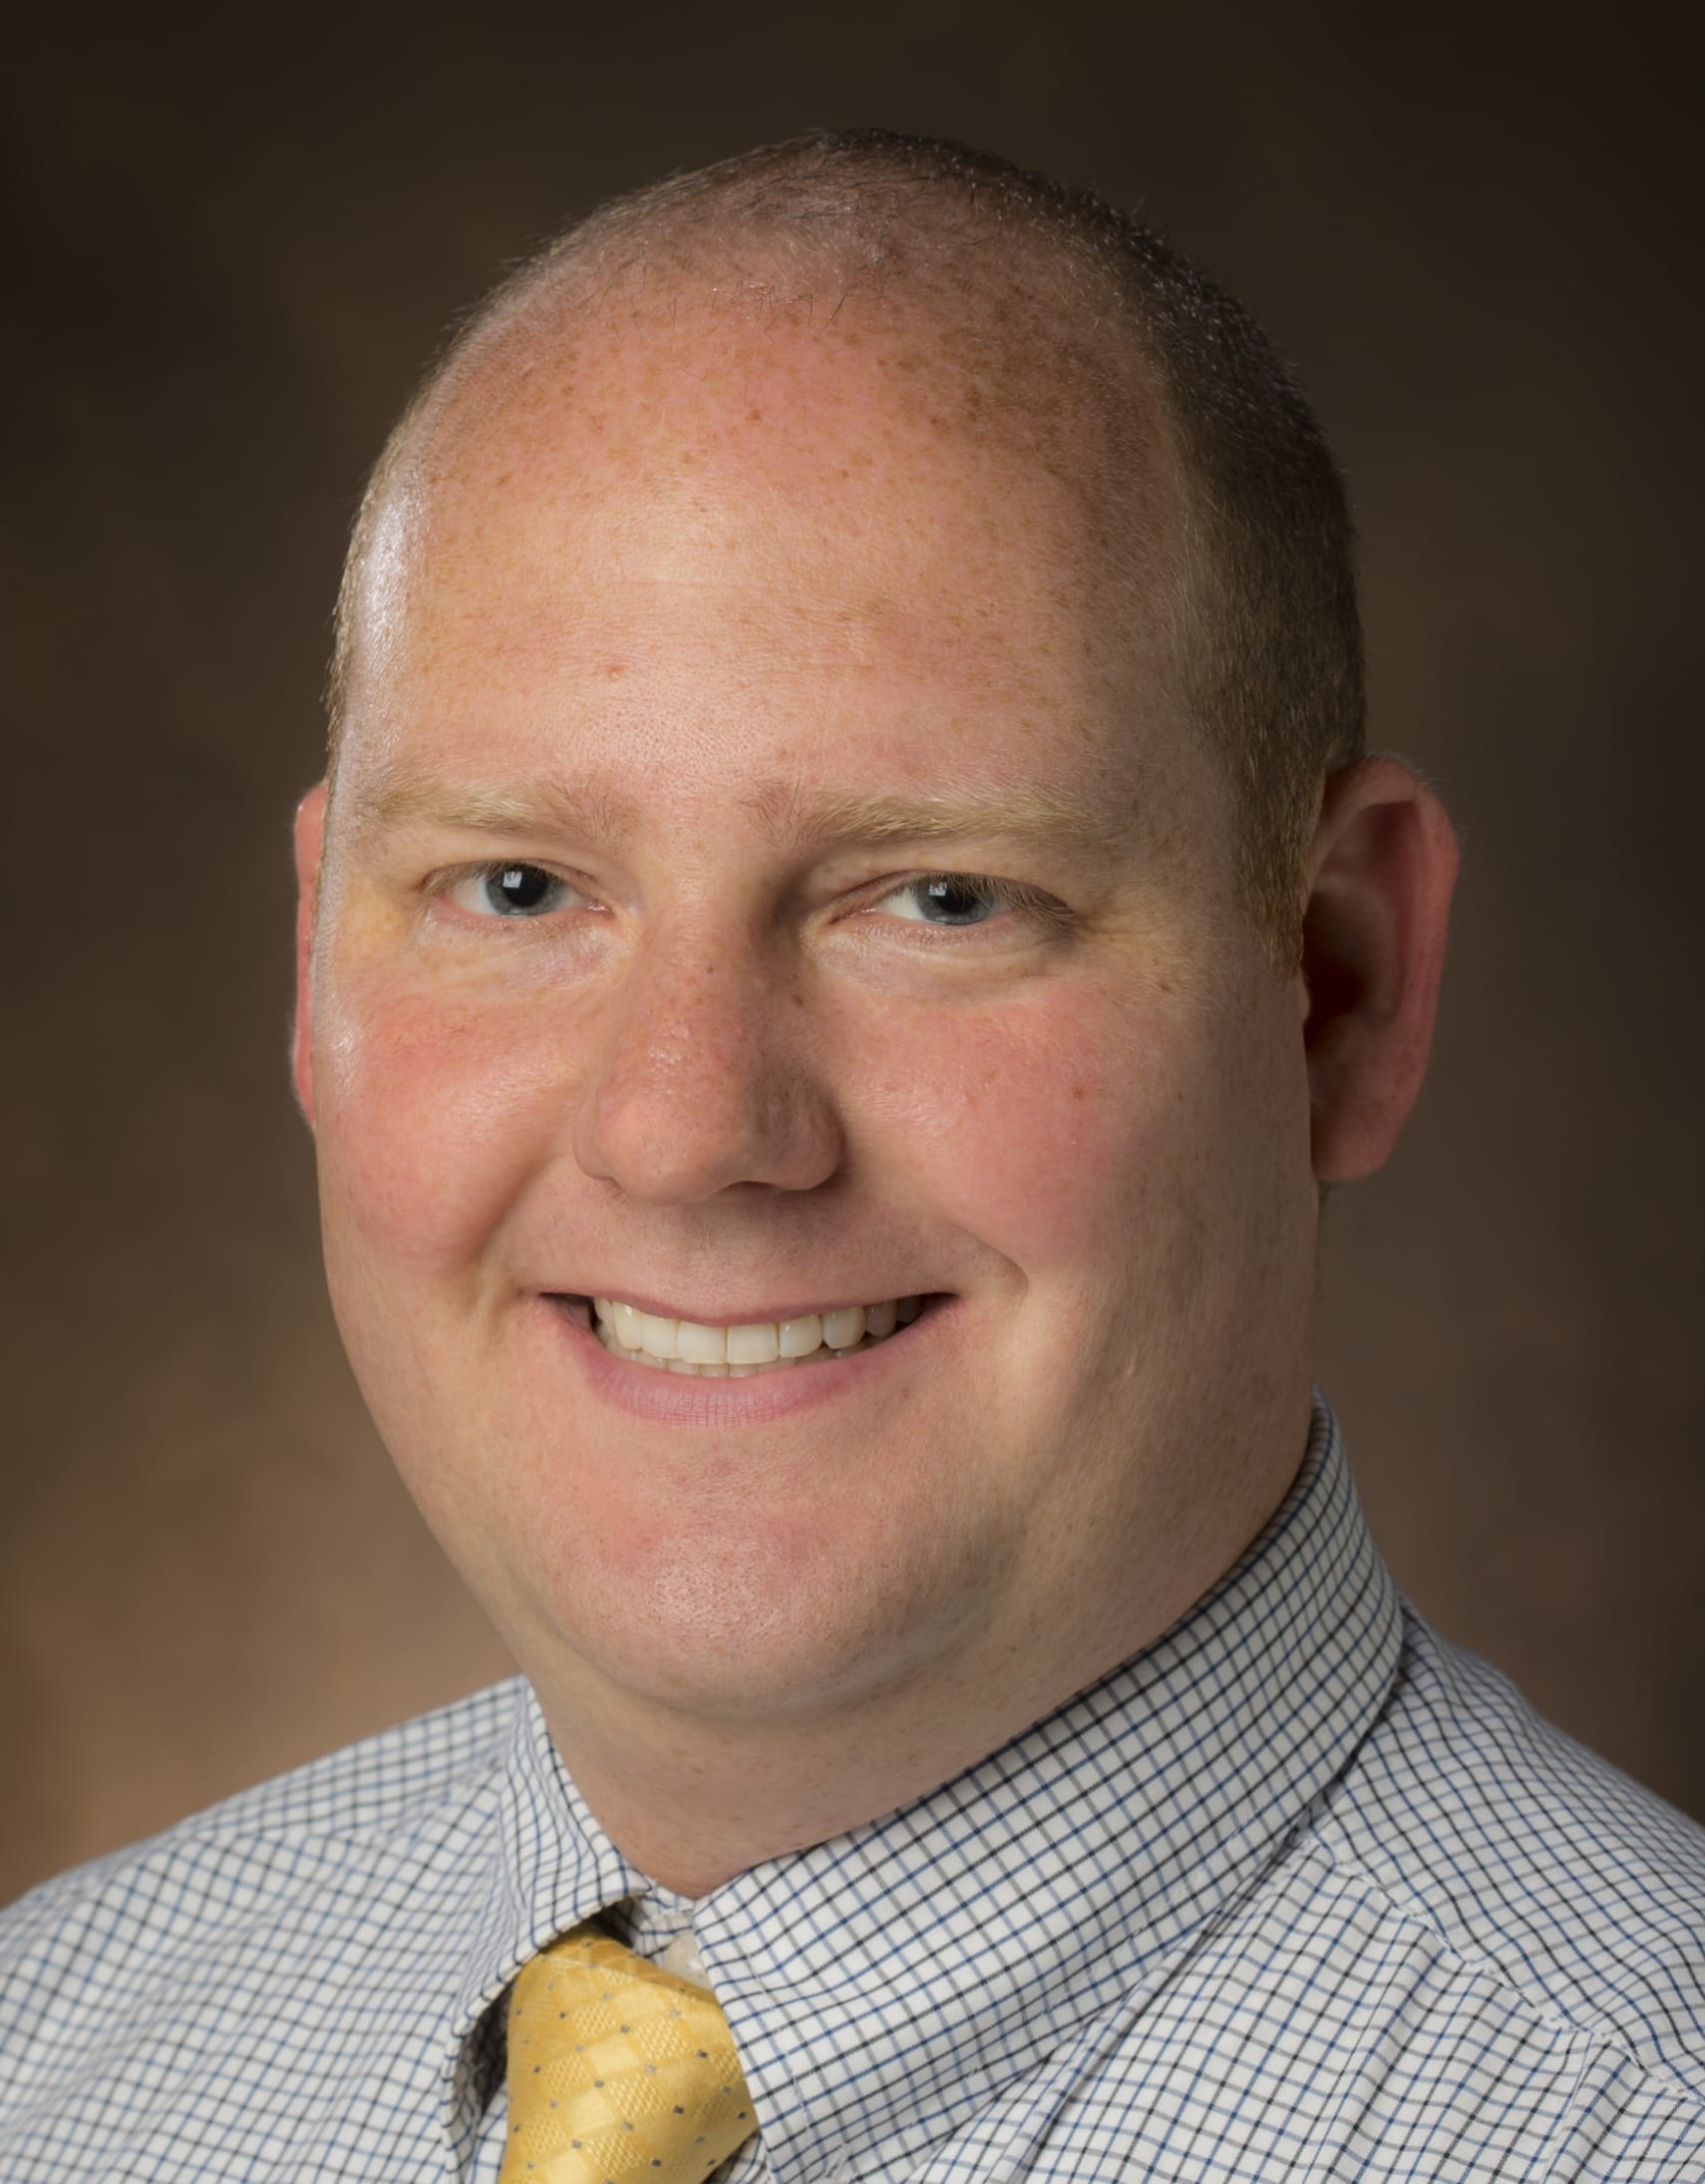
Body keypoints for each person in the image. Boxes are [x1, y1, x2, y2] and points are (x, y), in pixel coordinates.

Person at [2, 127, 1700, 2180]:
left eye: (942, 899)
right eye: (519, 887)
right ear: (313, 962)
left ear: (1335, 983)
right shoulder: (53, 2052)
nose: (687, 1127)